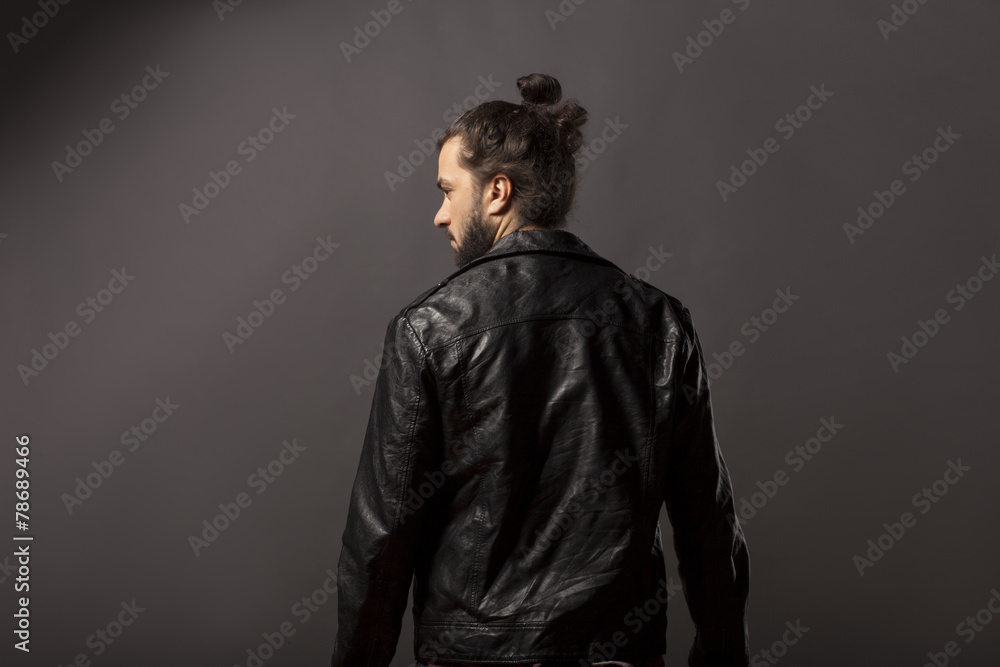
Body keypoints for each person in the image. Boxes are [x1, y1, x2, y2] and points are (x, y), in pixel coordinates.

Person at [331, 73, 750, 667]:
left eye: (448, 191)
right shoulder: (659, 323)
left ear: (497, 191)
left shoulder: (430, 329)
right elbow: (709, 527)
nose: (440, 215)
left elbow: (380, 542)